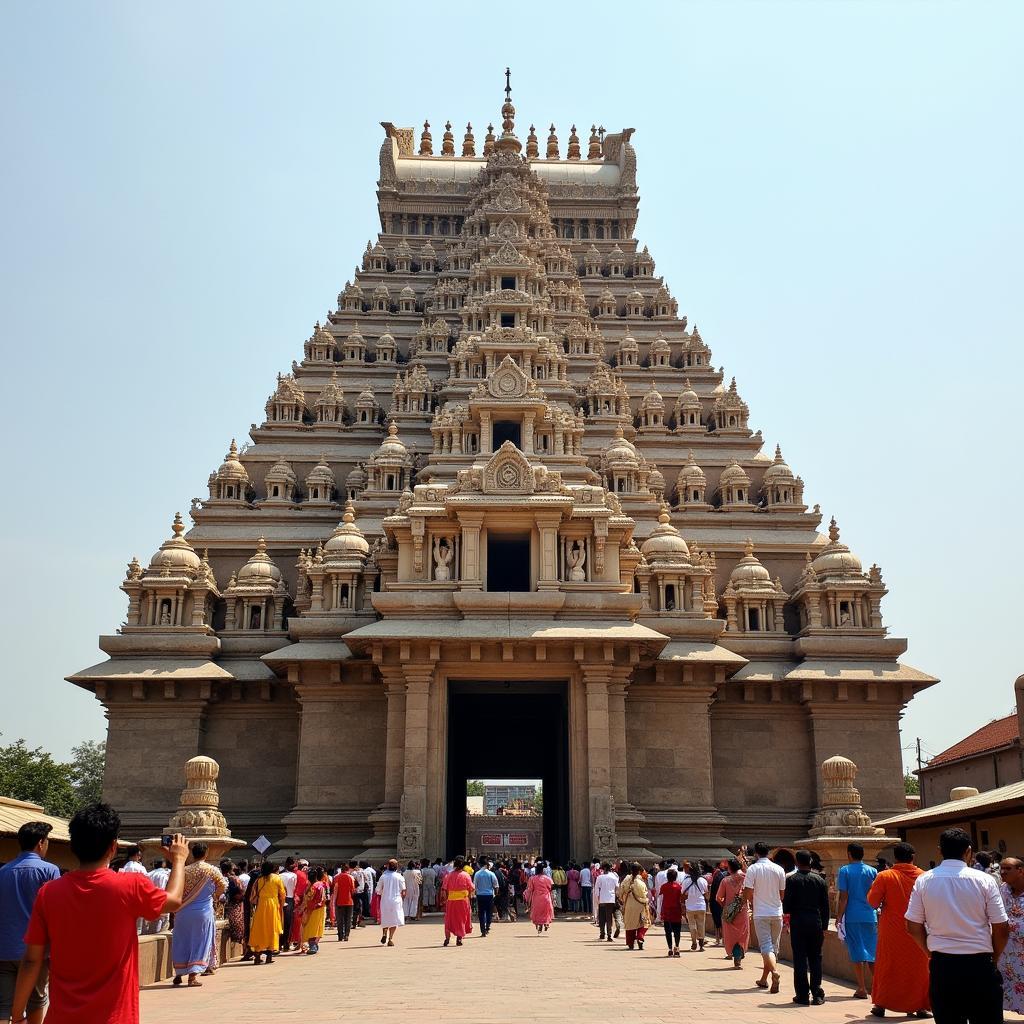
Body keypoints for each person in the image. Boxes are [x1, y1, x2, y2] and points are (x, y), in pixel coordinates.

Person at [10, 805, 187, 1024]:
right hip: (115, 1017)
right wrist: (178, 860)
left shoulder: (49, 893)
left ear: (73, 846)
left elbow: (31, 960)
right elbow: (174, 901)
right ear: (113, 847)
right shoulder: (129, 886)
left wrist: (17, 1016)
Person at [906, 827, 1008, 1024]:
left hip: (943, 966)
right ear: (968, 851)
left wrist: (929, 952)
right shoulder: (984, 880)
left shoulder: (924, 880)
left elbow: (912, 926)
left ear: (939, 850)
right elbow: (1001, 927)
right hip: (980, 965)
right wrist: (993, 958)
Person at [0, 821, 60, 1024]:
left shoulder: (3, 872)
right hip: (36, 951)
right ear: (41, 843)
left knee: (3, 1006)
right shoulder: (50, 871)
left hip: (4, 949)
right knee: (35, 1001)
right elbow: (54, 912)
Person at [865, 841, 930, 1019]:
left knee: (888, 966)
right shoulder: (924, 876)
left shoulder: (885, 876)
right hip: (918, 930)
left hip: (892, 930)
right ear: (913, 857)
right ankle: (920, 1006)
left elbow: (872, 902)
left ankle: (881, 1005)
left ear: (895, 858)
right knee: (919, 968)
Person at [171, 841, 226, 987]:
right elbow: (223, 885)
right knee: (200, 942)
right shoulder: (211, 870)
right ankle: (192, 976)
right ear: (206, 853)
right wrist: (214, 896)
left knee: (182, 941)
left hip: (183, 912)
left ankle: (178, 973)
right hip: (203, 912)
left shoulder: (184, 870)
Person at [783, 850, 831, 1006]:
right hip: (815, 922)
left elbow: (786, 906)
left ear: (797, 862)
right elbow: (826, 907)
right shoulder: (820, 880)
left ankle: (802, 995)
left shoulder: (791, 880)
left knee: (800, 959)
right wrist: (824, 926)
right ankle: (817, 993)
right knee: (816, 958)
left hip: (798, 922)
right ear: (810, 862)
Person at [743, 841, 786, 994]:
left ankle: (774, 973)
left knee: (766, 947)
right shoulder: (779, 869)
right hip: (776, 912)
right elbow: (782, 895)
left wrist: (751, 902)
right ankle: (764, 979)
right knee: (773, 947)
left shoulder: (753, 869)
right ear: (769, 853)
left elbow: (747, 891)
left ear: (755, 854)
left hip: (761, 912)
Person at [837, 842, 878, 1000]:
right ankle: (876, 986)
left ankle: (861, 987)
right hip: (870, 915)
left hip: (853, 916)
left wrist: (839, 917)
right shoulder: (872, 871)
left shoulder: (845, 870)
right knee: (871, 952)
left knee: (856, 951)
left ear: (849, 854)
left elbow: (844, 897)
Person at [999, 856, 1024, 1016]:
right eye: (1002, 868)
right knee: (1011, 982)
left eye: (1008, 869)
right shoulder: (1002, 889)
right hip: (1008, 950)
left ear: (1020, 871)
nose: (1003, 872)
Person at [248, 862, 286, 965]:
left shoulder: (259, 880)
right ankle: (269, 956)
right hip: (273, 905)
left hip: (261, 906)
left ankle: (257, 956)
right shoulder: (277, 878)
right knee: (272, 929)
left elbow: (254, 894)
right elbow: (282, 894)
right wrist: (281, 906)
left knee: (259, 929)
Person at [716, 857, 750, 969]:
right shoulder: (746, 878)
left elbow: (718, 898)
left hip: (729, 913)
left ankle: (737, 958)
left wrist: (726, 906)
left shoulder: (725, 880)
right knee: (742, 934)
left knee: (731, 936)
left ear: (730, 868)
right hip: (743, 911)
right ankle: (739, 956)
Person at [441, 855, 475, 946]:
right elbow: (471, 888)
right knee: (461, 919)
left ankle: (447, 938)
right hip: (463, 901)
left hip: (451, 900)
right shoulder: (466, 875)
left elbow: (444, 890)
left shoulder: (448, 875)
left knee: (449, 919)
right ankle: (459, 938)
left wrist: (444, 900)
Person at [618, 862, 651, 950]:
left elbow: (620, 891)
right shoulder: (640, 881)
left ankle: (630, 943)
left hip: (629, 904)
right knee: (644, 922)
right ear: (639, 871)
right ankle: (640, 936)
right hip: (640, 905)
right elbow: (644, 894)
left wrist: (621, 900)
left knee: (630, 924)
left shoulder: (626, 879)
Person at [376, 859, 406, 947]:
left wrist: (382, 892)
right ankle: (390, 939)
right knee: (394, 921)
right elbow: (403, 890)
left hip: (385, 900)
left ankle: (384, 933)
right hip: (396, 901)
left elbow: (378, 890)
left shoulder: (383, 876)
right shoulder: (399, 876)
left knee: (386, 919)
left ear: (388, 866)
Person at [299, 866, 328, 954]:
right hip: (321, 909)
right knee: (317, 927)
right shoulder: (321, 885)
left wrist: (301, 909)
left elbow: (306, 900)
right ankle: (313, 944)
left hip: (311, 910)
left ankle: (312, 945)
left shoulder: (311, 887)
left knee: (310, 927)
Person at [682, 863, 709, 951]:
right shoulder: (702, 880)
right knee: (701, 924)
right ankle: (701, 944)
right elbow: (706, 893)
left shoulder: (686, 881)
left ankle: (694, 942)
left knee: (692, 925)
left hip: (690, 906)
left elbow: (683, 893)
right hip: (701, 905)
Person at [657, 866, 684, 956]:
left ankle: (670, 948)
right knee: (677, 931)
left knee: (668, 931)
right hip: (676, 911)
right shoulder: (679, 887)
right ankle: (677, 947)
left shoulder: (664, 886)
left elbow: (660, 895)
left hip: (667, 911)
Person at [525, 859, 555, 934]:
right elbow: (551, 887)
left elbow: (530, 889)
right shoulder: (548, 878)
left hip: (536, 898)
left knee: (537, 912)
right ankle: (546, 923)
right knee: (546, 911)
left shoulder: (532, 879)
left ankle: (539, 925)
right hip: (546, 897)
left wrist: (527, 898)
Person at [221, 861, 245, 947]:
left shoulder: (232, 879)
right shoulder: (235, 878)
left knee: (237, 925)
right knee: (239, 925)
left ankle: (244, 946)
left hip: (234, 904)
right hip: (236, 904)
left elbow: (239, 891)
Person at [144, 858, 171, 935]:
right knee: (162, 928)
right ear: (163, 864)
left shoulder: (149, 874)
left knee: (151, 926)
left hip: (150, 902)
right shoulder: (165, 874)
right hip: (162, 901)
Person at [594, 861, 620, 942]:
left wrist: (597, 899)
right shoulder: (614, 877)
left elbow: (596, 890)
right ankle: (609, 935)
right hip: (611, 899)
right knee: (609, 918)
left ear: (604, 868)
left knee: (602, 917)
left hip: (602, 899)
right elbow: (617, 888)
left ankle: (602, 934)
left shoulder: (600, 877)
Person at [473, 857, 499, 936]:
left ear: (480, 864)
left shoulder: (477, 874)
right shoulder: (491, 874)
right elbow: (496, 885)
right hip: (489, 895)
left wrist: (474, 894)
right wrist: (496, 893)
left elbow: (474, 886)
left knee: (481, 913)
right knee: (489, 912)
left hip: (480, 895)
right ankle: (487, 926)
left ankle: (483, 930)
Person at [278, 858, 299, 952]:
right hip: (290, 899)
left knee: (280, 922)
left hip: (280, 899)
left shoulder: (279, 875)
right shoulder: (294, 875)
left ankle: (279, 943)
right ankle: (286, 943)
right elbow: (294, 887)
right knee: (288, 923)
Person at [334, 861, 357, 942]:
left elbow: (335, 889)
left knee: (340, 919)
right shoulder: (351, 878)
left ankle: (340, 935)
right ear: (348, 870)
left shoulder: (337, 877)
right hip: (349, 901)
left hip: (339, 901)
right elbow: (353, 890)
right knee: (348, 919)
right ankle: (346, 935)